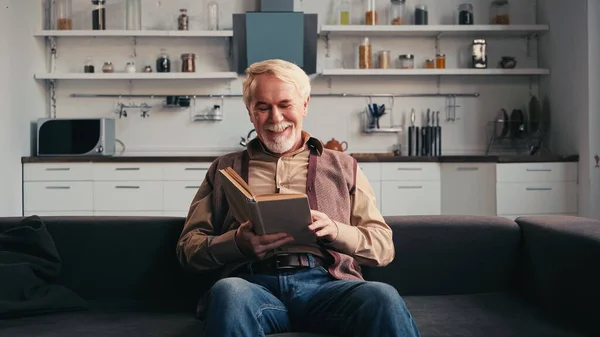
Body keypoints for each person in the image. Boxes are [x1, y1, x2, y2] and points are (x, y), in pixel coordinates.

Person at [176, 59, 421, 337]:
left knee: (382, 296)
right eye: (263, 107)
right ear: (250, 112)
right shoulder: (223, 169)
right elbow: (188, 249)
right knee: (228, 292)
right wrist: (236, 244)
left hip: (328, 286)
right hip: (252, 287)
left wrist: (336, 231)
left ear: (304, 104)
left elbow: (383, 247)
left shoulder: (343, 165)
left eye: (285, 104)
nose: (275, 118)